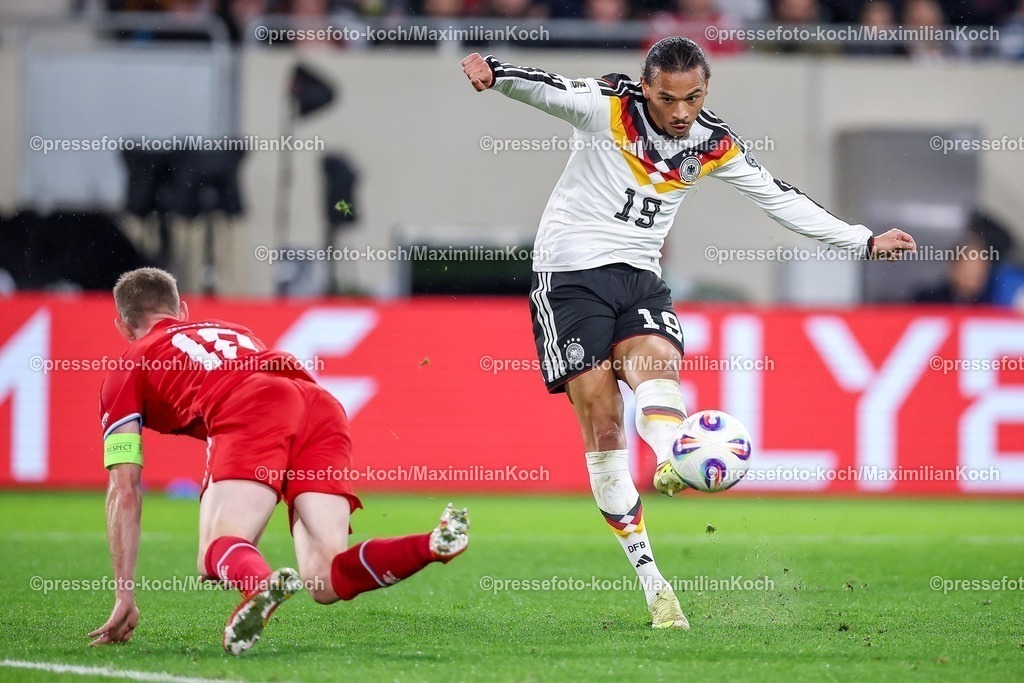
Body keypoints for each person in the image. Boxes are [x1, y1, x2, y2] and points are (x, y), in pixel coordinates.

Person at [461, 37, 915, 629]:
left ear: (706, 91)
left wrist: (861, 240)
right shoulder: (607, 108)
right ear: (646, 88)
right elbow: (547, 88)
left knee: (656, 366)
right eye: (669, 99)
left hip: (641, 277)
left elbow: (778, 197)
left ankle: (673, 455)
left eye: (693, 98)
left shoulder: (712, 142)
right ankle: (655, 586)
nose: (680, 112)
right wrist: (495, 71)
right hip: (570, 277)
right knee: (601, 419)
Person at [88, 267, 469, 655]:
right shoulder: (233, 331)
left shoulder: (127, 368)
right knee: (324, 577)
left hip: (250, 405)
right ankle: (433, 543)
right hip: (318, 405)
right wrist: (239, 553)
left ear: (122, 326)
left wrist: (124, 592)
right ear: (182, 310)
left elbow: (126, 489)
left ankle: (260, 584)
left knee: (213, 551)